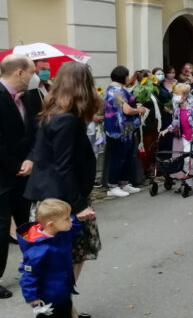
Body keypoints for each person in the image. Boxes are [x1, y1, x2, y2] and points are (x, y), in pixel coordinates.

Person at [25, 61, 101, 318]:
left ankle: (66, 309)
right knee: (66, 260)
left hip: (54, 198)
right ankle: (57, 310)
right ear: (83, 87)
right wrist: (79, 206)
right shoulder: (67, 119)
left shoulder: (54, 113)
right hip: (63, 202)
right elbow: (64, 166)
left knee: (58, 261)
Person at [0, 54, 38, 299]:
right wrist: (16, 164)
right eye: (33, 71)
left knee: (25, 222)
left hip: (25, 172)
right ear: (20, 72)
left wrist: (32, 158)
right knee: (2, 225)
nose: (35, 77)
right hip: (2, 173)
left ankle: (32, 265)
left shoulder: (31, 96)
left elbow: (37, 130)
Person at [17, 199, 81, 318]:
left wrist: (79, 219)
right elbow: (29, 275)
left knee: (66, 312)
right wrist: (31, 297)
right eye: (67, 219)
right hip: (49, 298)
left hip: (63, 291)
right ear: (51, 224)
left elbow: (71, 231)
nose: (71, 219)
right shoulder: (38, 250)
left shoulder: (59, 233)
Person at [103, 66, 146, 198]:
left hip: (124, 129)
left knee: (126, 157)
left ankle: (123, 183)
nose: (129, 78)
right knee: (118, 158)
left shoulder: (115, 89)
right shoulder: (117, 91)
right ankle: (112, 185)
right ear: (123, 77)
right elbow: (126, 110)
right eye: (127, 76)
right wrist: (139, 110)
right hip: (118, 130)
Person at [161, 83, 193, 190]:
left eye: (176, 94)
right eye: (174, 94)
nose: (175, 96)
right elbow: (176, 121)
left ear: (185, 95)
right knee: (187, 160)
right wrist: (167, 130)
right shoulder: (176, 105)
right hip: (185, 136)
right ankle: (187, 183)